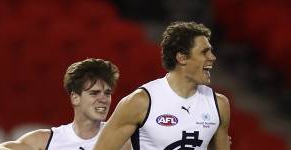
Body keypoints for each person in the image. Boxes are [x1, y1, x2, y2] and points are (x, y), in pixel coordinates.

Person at [94, 21, 231, 150]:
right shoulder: (141, 102)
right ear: (182, 58)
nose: (212, 57)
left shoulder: (219, 104)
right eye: (204, 52)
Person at [0, 58, 131, 150]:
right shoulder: (46, 141)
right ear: (75, 98)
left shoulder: (124, 141)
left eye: (107, 93)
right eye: (94, 93)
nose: (104, 99)